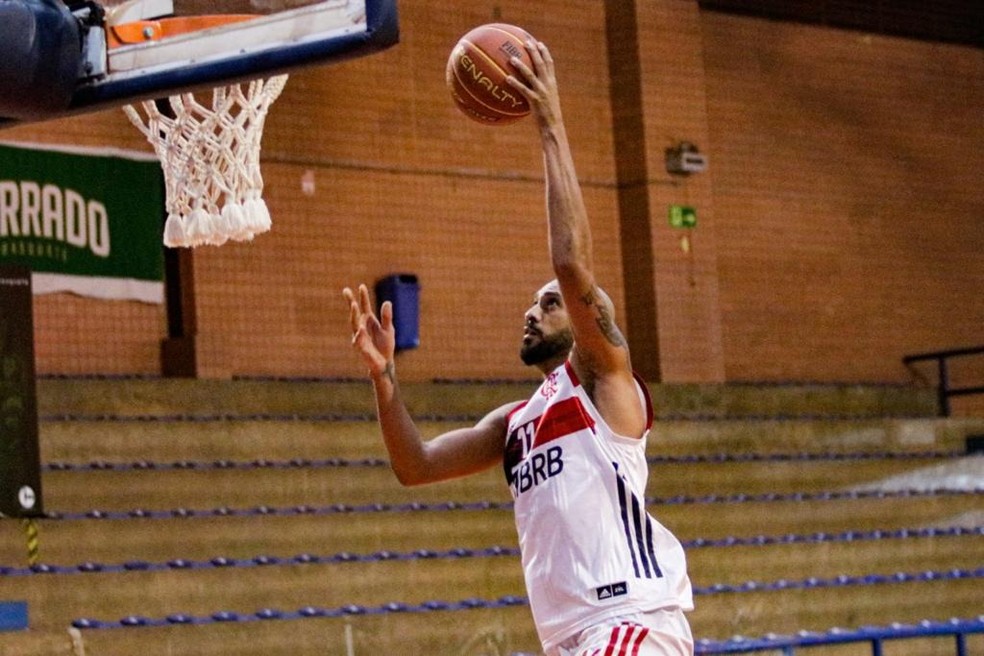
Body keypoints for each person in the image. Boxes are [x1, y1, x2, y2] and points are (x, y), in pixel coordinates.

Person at [342, 38, 694, 656]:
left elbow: (570, 263)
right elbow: (415, 466)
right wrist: (384, 377)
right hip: (569, 639)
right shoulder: (515, 425)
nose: (534, 312)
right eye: (533, 305)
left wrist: (550, 122)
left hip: (631, 623)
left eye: (550, 303)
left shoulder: (607, 385)